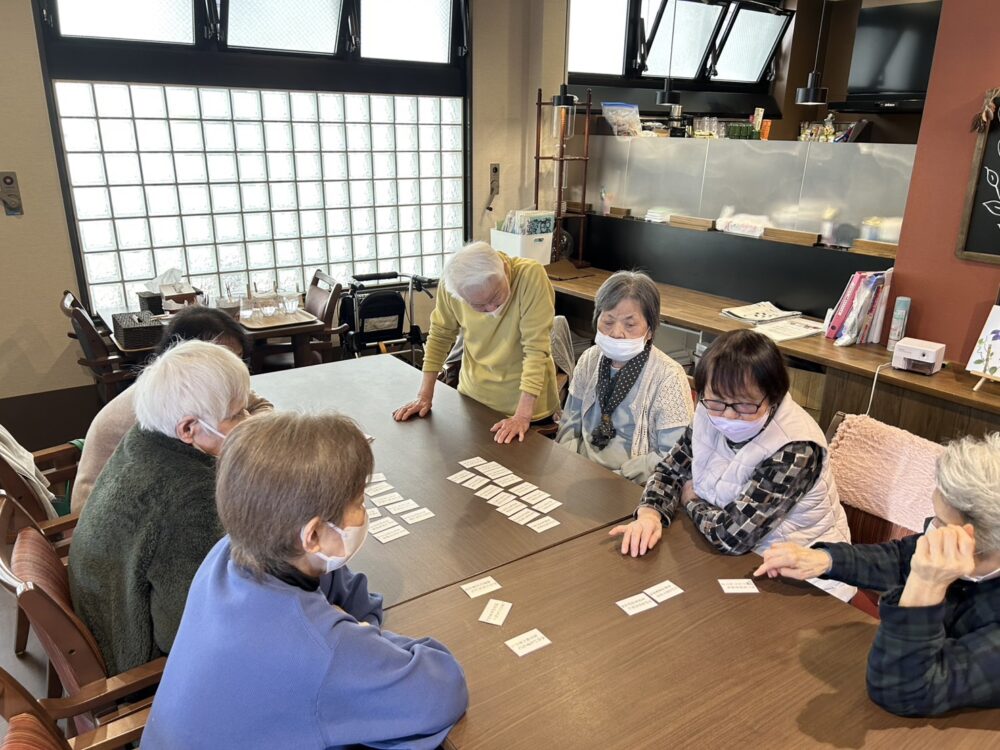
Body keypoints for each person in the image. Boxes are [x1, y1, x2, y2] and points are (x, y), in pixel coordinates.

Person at [142, 411, 469, 749]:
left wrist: (355, 635)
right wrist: (358, 639)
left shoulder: (229, 552)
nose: (363, 510)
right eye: (357, 502)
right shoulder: (318, 648)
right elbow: (444, 689)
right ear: (313, 536)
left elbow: (355, 598)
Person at [755, 433, 1000, 717]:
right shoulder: (969, 554)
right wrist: (827, 559)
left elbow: (903, 691)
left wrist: (925, 584)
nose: (931, 529)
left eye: (941, 523)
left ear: (978, 539)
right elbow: (900, 558)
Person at [610, 329, 854, 601]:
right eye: (716, 401)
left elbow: (732, 536)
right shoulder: (707, 410)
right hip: (738, 563)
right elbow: (670, 471)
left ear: (773, 396)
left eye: (743, 405)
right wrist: (649, 514)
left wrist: (690, 500)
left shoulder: (796, 448)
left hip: (802, 579)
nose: (726, 414)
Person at [68, 340, 250, 675]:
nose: (248, 421)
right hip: (135, 657)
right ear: (188, 429)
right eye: (237, 414)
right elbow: (183, 633)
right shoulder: (190, 498)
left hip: (105, 609)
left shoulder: (143, 437)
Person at [71, 306, 272, 512]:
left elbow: (261, 406)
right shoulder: (162, 403)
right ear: (189, 354)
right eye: (221, 356)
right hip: (105, 508)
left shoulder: (192, 387)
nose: (232, 365)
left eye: (238, 357)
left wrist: (243, 424)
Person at [393, 241, 559, 444]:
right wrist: (424, 396)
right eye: (478, 305)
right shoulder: (451, 284)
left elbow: (535, 350)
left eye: (496, 297)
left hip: (526, 408)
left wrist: (521, 417)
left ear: (505, 269)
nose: (491, 309)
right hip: (473, 401)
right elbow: (440, 336)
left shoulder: (530, 276)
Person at [556, 271, 692, 484]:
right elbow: (569, 425)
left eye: (630, 325)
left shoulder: (668, 376)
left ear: (650, 329)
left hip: (631, 485)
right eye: (608, 321)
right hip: (579, 475)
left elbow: (673, 455)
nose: (616, 333)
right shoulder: (590, 359)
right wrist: (570, 467)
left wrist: (617, 480)